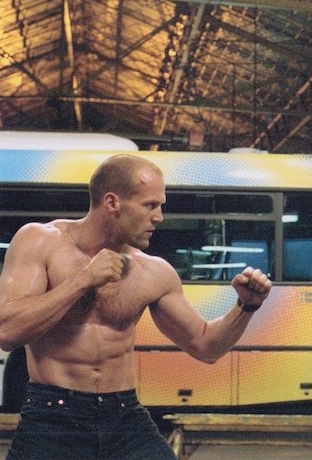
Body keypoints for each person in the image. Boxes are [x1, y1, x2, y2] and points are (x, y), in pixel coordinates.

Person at [0, 154, 271, 460]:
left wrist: (246, 307)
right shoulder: (40, 241)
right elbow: (7, 332)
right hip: (52, 416)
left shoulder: (154, 272)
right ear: (112, 203)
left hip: (124, 416)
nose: (159, 217)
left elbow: (206, 346)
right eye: (150, 205)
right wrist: (84, 280)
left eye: (160, 206)